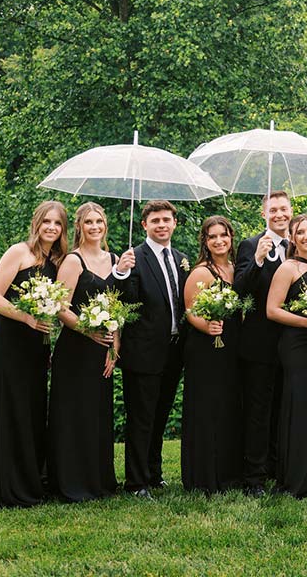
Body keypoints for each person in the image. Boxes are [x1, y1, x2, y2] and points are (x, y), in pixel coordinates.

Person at [0, 201, 68, 508]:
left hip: (38, 343)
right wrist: (26, 317)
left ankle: (30, 480)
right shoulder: (18, 252)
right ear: (36, 223)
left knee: (31, 409)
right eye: (46, 222)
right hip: (10, 338)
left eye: (58, 223)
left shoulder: (59, 259)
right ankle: (1, 484)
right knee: (9, 407)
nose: (51, 227)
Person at [48, 202, 124, 502]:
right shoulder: (73, 261)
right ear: (79, 226)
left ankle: (99, 480)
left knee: (97, 413)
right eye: (89, 222)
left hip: (103, 349)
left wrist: (114, 345)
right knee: (73, 413)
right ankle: (70, 482)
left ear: (105, 225)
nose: (95, 227)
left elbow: (118, 308)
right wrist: (87, 330)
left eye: (99, 221)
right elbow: (60, 307)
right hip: (75, 347)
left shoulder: (116, 259)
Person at [115, 200, 189, 497]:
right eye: (155, 220)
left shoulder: (181, 258)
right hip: (143, 352)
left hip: (174, 350)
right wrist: (121, 273)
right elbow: (124, 302)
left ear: (174, 223)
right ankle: (136, 482)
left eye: (166, 220)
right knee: (141, 418)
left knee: (160, 415)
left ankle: (154, 474)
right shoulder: (134, 257)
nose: (161, 225)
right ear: (144, 224)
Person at [266, 215, 307, 498]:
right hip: (296, 344)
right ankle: (296, 478)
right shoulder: (287, 268)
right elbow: (272, 310)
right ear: (292, 238)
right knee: (300, 405)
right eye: (300, 232)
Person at [233, 190, 293, 496]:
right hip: (259, 343)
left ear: (291, 211)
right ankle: (253, 477)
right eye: (274, 210)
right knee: (258, 410)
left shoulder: (295, 245)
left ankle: (276, 467)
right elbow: (240, 289)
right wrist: (257, 260)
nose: (279, 214)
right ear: (264, 214)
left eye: (284, 209)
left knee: (283, 408)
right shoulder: (250, 245)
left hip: (292, 343)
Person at [181, 216, 244, 494]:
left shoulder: (234, 268)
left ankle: (229, 472)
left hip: (231, 347)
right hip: (206, 349)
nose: (219, 241)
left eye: (223, 235)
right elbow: (190, 310)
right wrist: (206, 326)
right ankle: (205, 476)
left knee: (229, 407)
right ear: (205, 242)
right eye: (212, 237)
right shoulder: (202, 272)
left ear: (231, 238)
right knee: (208, 409)